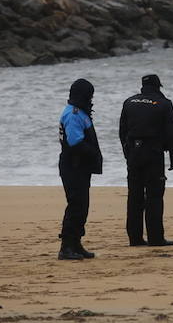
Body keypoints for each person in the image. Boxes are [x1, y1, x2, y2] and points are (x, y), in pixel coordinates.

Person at [119, 74, 173, 247]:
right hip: (153, 154)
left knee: (134, 196)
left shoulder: (129, 102)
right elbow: (172, 133)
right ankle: (155, 238)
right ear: (158, 86)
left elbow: (122, 131)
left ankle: (135, 238)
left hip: (134, 153)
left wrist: (127, 152)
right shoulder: (164, 104)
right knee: (154, 196)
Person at [58, 78, 103, 260]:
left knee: (82, 206)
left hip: (79, 167)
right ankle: (66, 247)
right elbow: (75, 142)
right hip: (73, 166)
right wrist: (93, 153)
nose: (91, 99)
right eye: (89, 95)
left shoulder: (79, 111)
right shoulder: (74, 114)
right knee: (76, 206)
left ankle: (76, 244)